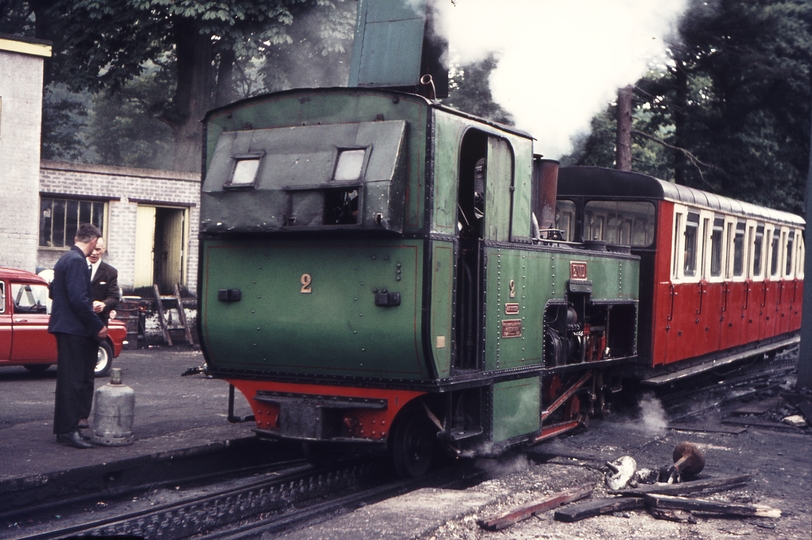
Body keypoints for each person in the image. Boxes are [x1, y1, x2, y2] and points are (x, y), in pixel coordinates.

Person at [49, 223, 108, 449]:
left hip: (66, 327)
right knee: (72, 381)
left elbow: (54, 291)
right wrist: (96, 326)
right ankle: (68, 431)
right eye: (96, 244)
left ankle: (65, 428)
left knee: (68, 380)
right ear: (93, 242)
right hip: (74, 329)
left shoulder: (64, 259)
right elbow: (79, 300)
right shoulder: (76, 261)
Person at [88, 237, 120, 325]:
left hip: (98, 322)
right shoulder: (77, 267)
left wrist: (103, 305)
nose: (94, 253)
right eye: (92, 249)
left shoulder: (110, 272)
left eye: (97, 249)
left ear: (103, 249)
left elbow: (114, 297)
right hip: (77, 322)